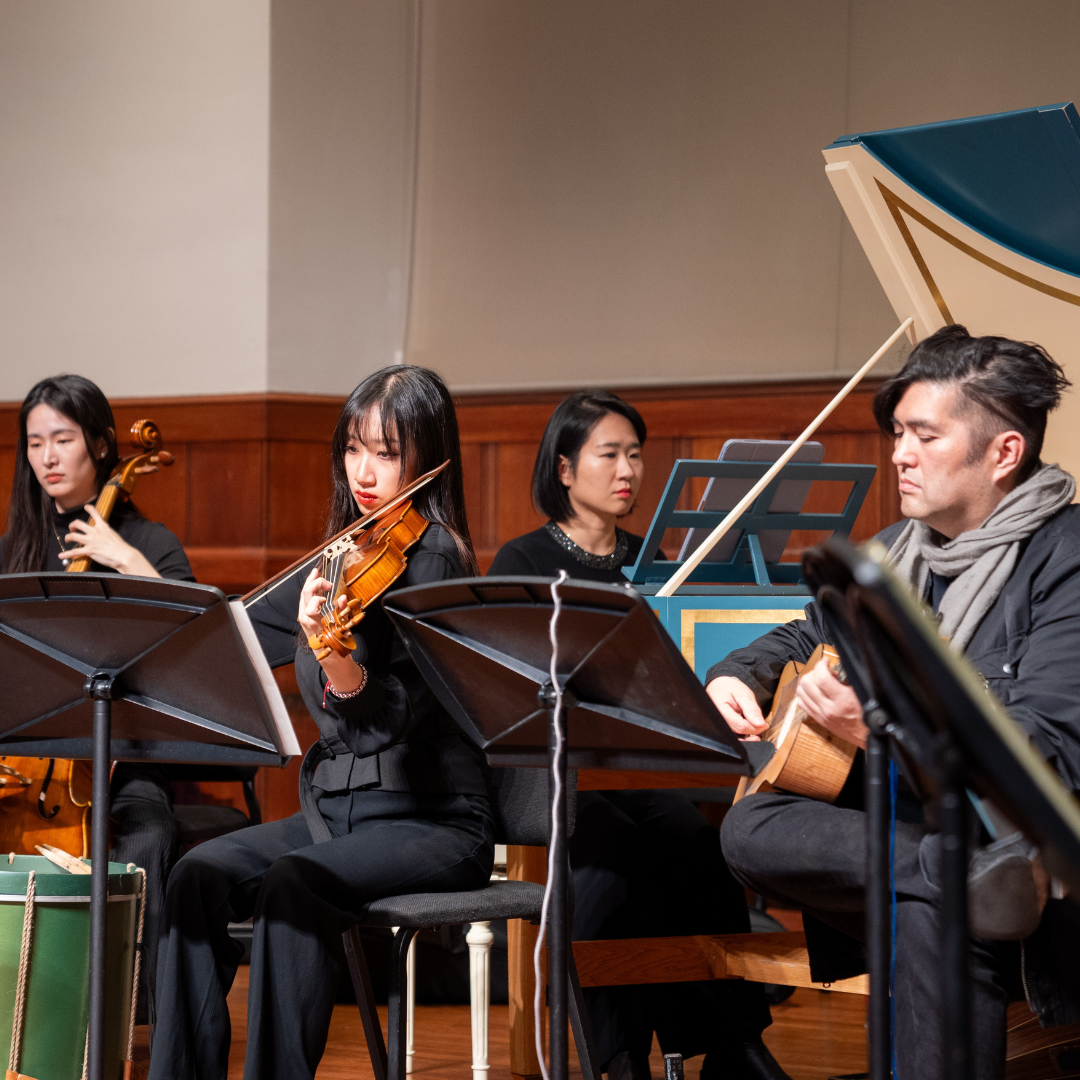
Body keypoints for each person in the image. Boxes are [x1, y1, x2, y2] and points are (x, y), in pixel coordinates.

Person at [709, 325, 1080, 1080]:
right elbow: (804, 631)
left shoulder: (1066, 557)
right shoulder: (897, 552)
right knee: (750, 826)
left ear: (1004, 452)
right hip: (943, 843)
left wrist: (882, 732)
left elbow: (1048, 756)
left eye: (924, 435)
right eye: (898, 434)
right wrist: (735, 675)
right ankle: (961, 873)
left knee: (930, 910)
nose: (900, 454)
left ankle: (957, 876)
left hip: (1032, 847)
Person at [148, 365, 493, 1080]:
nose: (365, 472)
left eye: (387, 453)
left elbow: (385, 720)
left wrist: (330, 650)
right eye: (354, 449)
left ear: (428, 456)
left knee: (294, 884)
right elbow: (240, 634)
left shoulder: (435, 561)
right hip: (339, 811)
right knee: (195, 875)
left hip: (433, 818)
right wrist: (156, 644)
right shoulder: (347, 554)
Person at [490, 391, 789, 1080]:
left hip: (632, 765)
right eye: (609, 455)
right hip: (549, 770)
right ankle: (618, 1056)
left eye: (635, 455)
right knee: (610, 854)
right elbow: (509, 687)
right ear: (565, 469)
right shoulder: (523, 559)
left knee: (695, 843)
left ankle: (730, 1044)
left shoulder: (654, 564)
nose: (627, 470)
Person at [0, 373, 195, 1020]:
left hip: (127, 758)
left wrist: (126, 561)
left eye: (63, 439)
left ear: (103, 445)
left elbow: (193, 650)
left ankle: (130, 1023)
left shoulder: (152, 544)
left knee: (145, 835)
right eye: (35, 443)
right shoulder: (14, 552)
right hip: (25, 760)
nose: (47, 457)